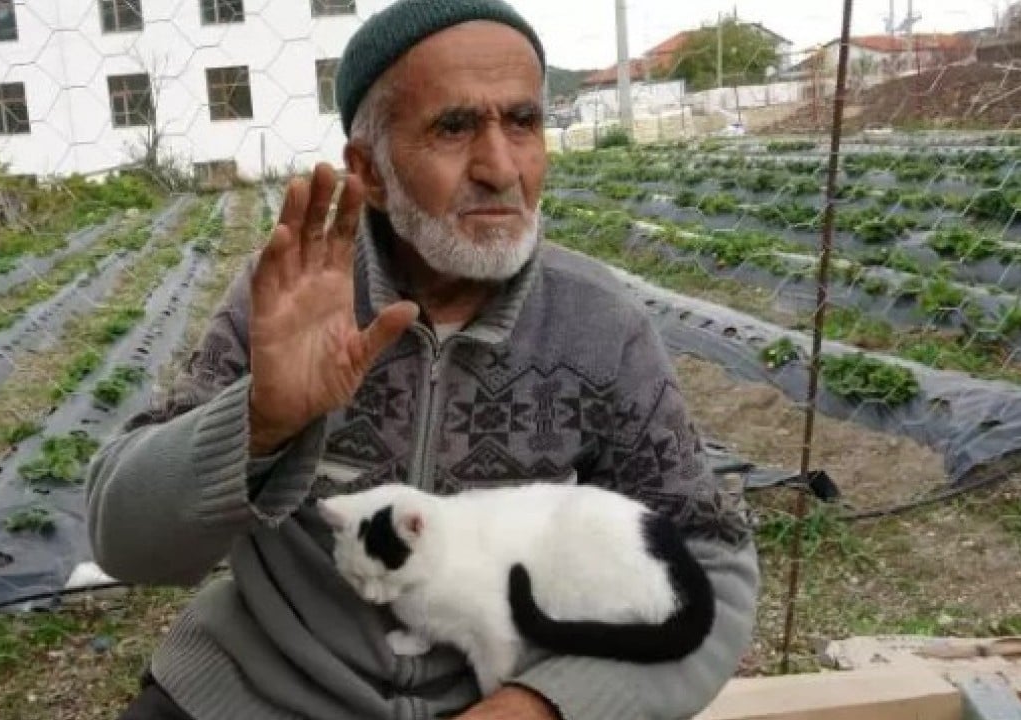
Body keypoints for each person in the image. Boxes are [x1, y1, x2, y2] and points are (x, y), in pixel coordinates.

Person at [85, 1, 759, 718]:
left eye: (523, 122)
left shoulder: (599, 328)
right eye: (453, 127)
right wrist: (259, 422)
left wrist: (549, 703)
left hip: (494, 690)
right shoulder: (290, 301)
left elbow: (711, 565)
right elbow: (126, 543)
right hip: (256, 694)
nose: (501, 168)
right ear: (368, 171)